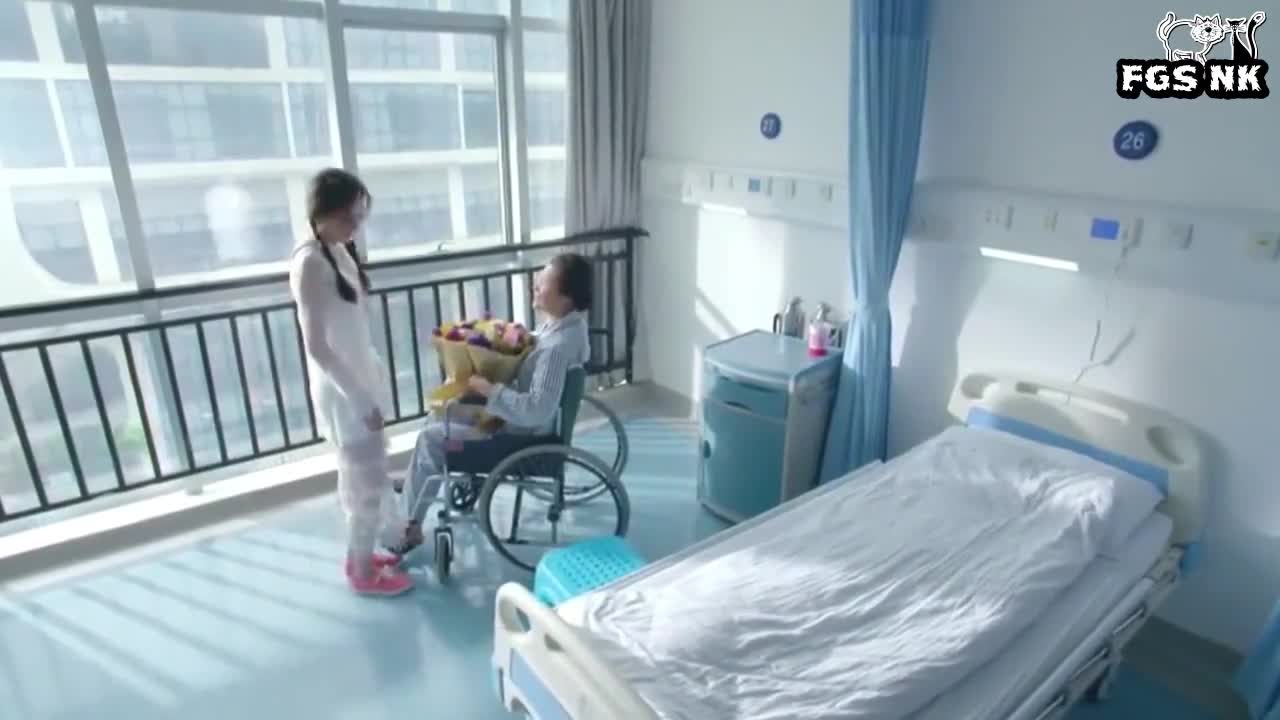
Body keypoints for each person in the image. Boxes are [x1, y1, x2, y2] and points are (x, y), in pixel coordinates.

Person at [392, 253, 593, 555]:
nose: (535, 286)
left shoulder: (556, 349)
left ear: (565, 297)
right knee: (440, 415)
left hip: (519, 439)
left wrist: (490, 390)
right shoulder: (568, 328)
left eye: (543, 284)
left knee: (432, 438)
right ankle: (417, 479)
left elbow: (537, 409)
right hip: (521, 425)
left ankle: (408, 528)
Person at [289, 168, 413, 596]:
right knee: (367, 482)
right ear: (321, 213)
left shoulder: (337, 250)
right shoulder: (309, 262)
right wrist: (360, 399)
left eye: (359, 215)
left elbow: (351, 330)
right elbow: (317, 346)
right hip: (344, 393)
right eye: (347, 216)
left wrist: (371, 380)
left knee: (363, 477)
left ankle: (359, 557)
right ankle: (362, 572)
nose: (355, 225)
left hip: (360, 380)